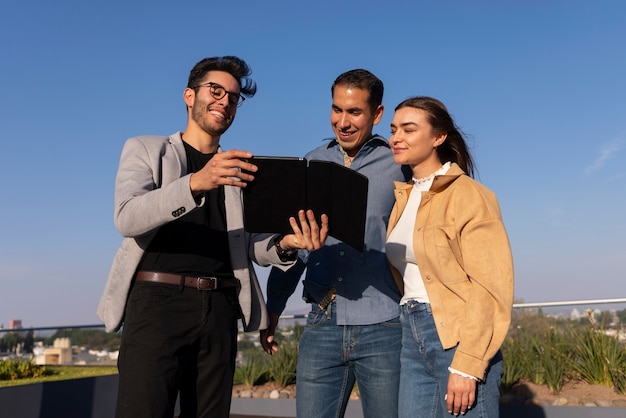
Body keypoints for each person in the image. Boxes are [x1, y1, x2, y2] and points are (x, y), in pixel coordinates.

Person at [96, 56, 328, 418]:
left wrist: (285, 244)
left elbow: (246, 241)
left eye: (233, 97)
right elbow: (128, 217)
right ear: (189, 96)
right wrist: (195, 183)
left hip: (220, 307)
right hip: (157, 303)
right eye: (215, 91)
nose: (224, 101)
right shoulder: (146, 149)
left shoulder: (238, 168)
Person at [260, 69, 411, 418]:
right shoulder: (311, 162)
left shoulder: (400, 164)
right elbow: (295, 246)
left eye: (354, 112)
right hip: (321, 325)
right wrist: (274, 308)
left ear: (376, 114)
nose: (342, 122)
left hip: (384, 325)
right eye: (336, 110)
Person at [385, 96, 514, 417]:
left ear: (438, 137)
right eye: (393, 129)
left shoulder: (470, 195)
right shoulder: (403, 197)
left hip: (457, 339)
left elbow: (491, 285)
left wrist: (468, 364)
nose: (396, 138)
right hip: (410, 338)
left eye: (409, 129)